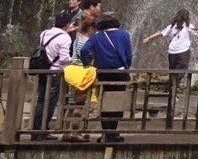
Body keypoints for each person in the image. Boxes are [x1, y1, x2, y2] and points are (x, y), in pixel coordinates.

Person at [78, 12, 133, 143]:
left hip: (102, 73)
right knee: (117, 103)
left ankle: (106, 133)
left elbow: (84, 50)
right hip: (120, 73)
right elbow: (129, 55)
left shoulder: (97, 37)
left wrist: (87, 64)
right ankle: (113, 133)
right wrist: (127, 66)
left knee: (103, 102)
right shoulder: (124, 35)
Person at [31, 11, 78, 139]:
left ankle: (36, 130)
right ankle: (41, 132)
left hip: (43, 70)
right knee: (50, 103)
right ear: (68, 24)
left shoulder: (44, 33)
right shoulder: (65, 38)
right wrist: (74, 61)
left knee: (41, 101)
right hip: (55, 73)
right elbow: (64, 58)